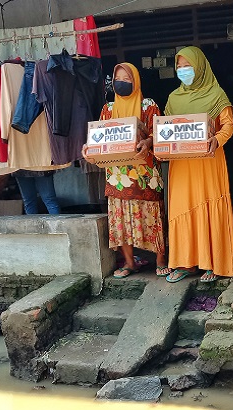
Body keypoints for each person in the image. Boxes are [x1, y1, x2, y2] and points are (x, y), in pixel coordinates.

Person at [83, 62, 170, 278]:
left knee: (152, 216)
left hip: (145, 175)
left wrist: (148, 142)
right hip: (117, 174)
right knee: (121, 218)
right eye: (118, 79)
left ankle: (160, 259)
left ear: (136, 81)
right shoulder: (108, 109)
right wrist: (89, 148)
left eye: (127, 79)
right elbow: (100, 137)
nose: (121, 83)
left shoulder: (148, 105)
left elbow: (158, 133)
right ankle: (130, 262)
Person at [163, 46, 233, 284]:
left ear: (200, 67)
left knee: (207, 204)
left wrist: (216, 140)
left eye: (188, 66)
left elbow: (228, 125)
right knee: (182, 208)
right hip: (182, 165)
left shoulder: (217, 94)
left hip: (208, 161)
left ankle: (213, 263)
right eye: (179, 66)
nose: (183, 70)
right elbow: (164, 129)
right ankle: (185, 262)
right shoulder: (173, 98)